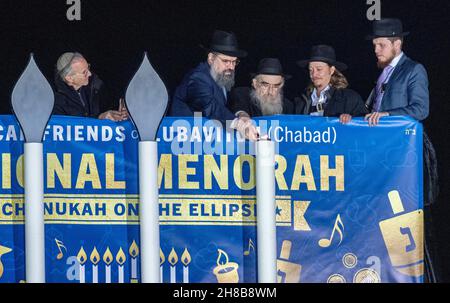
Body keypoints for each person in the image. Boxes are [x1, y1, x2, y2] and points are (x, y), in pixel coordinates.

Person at [365, 18, 439, 282]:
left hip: (407, 159)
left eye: (381, 45)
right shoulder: (384, 73)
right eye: (375, 45)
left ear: (397, 43)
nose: (377, 50)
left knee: (407, 219)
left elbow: (421, 109)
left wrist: (386, 114)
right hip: (385, 158)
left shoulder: (413, 69)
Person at [169, 30, 258, 140]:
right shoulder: (198, 78)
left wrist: (242, 116)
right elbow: (209, 107)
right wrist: (238, 124)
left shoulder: (221, 79)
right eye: (226, 61)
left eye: (234, 62)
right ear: (211, 58)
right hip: (184, 146)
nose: (231, 67)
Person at [295, 45, 367, 123]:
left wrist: (352, 119)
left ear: (331, 70)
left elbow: (364, 124)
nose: (314, 74)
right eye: (310, 70)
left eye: (319, 69)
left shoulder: (349, 98)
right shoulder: (301, 101)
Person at [53, 52, 128, 121]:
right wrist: (99, 118)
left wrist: (122, 108)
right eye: (84, 72)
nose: (89, 74)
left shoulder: (95, 84)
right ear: (69, 78)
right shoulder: (55, 101)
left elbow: (111, 101)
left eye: (88, 67)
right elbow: (69, 130)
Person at [228, 58, 295, 117]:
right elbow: (239, 107)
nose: (270, 92)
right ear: (255, 83)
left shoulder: (288, 106)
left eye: (276, 86)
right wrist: (243, 115)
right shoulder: (242, 95)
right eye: (265, 85)